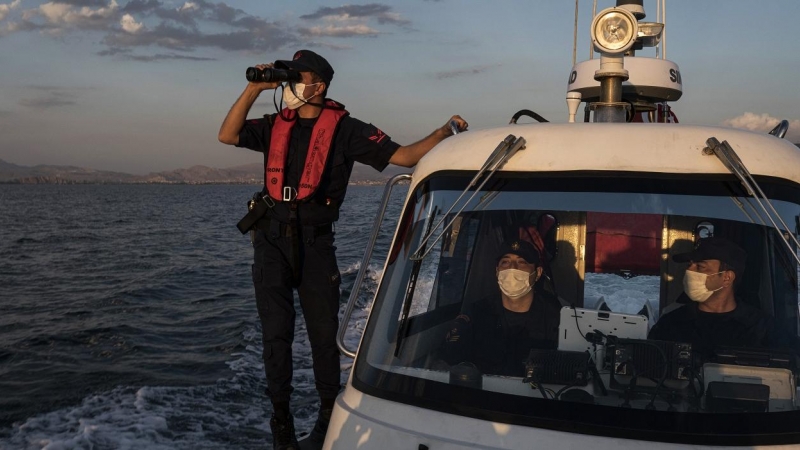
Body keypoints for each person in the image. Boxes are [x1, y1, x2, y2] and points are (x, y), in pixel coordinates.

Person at [218, 49, 467, 450]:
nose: (292, 86)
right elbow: (227, 135)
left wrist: (443, 131)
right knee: (276, 336)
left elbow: (402, 157)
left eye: (298, 78)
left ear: (319, 84)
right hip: (271, 243)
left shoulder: (347, 129)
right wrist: (253, 88)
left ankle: (326, 419)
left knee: (322, 336)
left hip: (317, 245)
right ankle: (280, 422)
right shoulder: (273, 125)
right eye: (291, 78)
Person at [649, 237, 799, 360]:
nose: (689, 271)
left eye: (700, 267)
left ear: (727, 278)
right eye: (690, 266)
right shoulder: (670, 324)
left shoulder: (762, 329)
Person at [440, 239, 562, 377]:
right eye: (505, 262)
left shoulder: (555, 316)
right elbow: (449, 361)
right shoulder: (478, 312)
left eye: (521, 262)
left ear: (538, 272)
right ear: (497, 271)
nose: (512, 268)